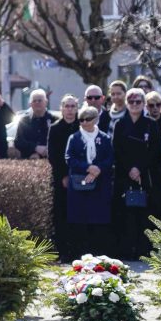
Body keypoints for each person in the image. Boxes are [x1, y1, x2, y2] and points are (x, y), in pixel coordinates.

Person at [112, 89, 155, 259]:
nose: (135, 105)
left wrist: (139, 168)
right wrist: (130, 168)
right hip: (124, 174)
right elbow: (117, 149)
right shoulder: (120, 124)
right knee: (125, 214)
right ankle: (126, 250)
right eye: (131, 102)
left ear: (144, 103)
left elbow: (154, 150)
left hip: (144, 175)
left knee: (144, 213)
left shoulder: (151, 124)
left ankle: (143, 250)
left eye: (138, 102)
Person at [65, 106, 114, 255]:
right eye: (81, 120)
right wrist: (87, 168)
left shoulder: (105, 138)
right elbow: (69, 158)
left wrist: (97, 169)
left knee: (98, 219)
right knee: (80, 219)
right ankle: (80, 253)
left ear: (95, 119)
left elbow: (110, 157)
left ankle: (99, 254)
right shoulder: (74, 137)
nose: (84, 123)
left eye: (88, 119)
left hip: (100, 184)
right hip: (80, 182)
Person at [48, 95, 79, 262]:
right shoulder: (55, 128)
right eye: (67, 106)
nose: (70, 109)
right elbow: (53, 155)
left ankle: (76, 250)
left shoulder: (81, 126)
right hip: (61, 179)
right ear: (61, 108)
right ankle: (62, 252)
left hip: (79, 177)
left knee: (77, 215)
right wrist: (63, 176)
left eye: (73, 106)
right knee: (60, 216)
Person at [144, 91, 161, 223]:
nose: (155, 108)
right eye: (151, 105)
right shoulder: (144, 122)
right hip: (149, 167)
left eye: (158, 104)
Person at [13, 89, 56, 159]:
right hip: (27, 162)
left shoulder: (54, 120)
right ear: (30, 104)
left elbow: (60, 141)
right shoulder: (24, 120)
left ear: (46, 102)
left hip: (50, 160)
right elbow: (18, 142)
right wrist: (35, 148)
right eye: (34, 101)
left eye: (39, 100)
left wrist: (47, 149)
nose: (37, 103)